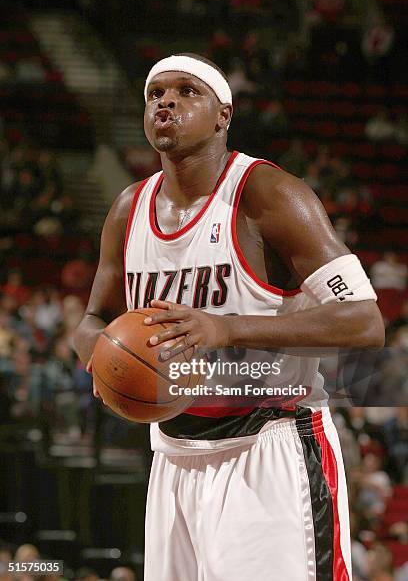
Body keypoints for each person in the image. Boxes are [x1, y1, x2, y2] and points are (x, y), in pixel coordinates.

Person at [74, 53, 384, 580]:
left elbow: (363, 322)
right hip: (172, 457)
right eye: (155, 94)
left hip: (269, 447)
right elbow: (90, 322)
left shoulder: (269, 194)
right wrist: (103, 359)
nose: (166, 101)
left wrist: (226, 327)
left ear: (224, 114)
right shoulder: (128, 208)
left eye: (186, 91)